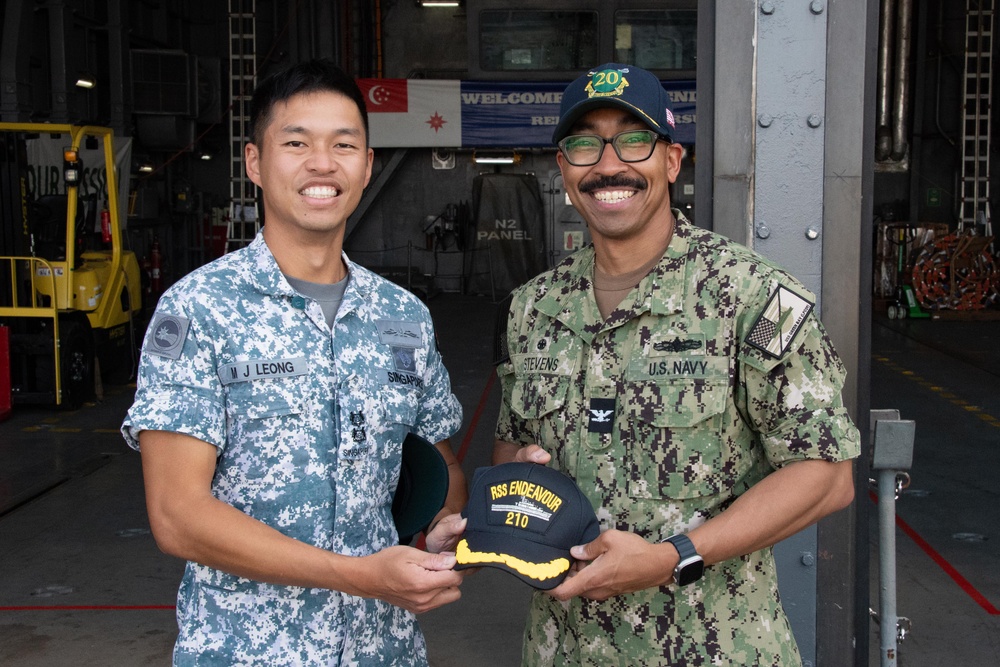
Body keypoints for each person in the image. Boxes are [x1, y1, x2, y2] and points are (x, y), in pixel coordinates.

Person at [492, 63, 861, 666]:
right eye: (584, 145)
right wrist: (515, 489)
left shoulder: (750, 296)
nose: (608, 164)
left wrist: (674, 555)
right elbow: (510, 450)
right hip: (564, 649)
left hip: (711, 647)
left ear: (671, 160)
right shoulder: (532, 308)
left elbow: (825, 475)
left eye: (633, 140)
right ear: (563, 169)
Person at [122, 59, 468, 666]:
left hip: (382, 651)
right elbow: (177, 515)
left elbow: (437, 464)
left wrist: (440, 529)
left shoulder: (403, 316)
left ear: (366, 165)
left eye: (344, 144)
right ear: (256, 162)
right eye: (296, 143)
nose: (322, 164)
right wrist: (357, 575)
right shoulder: (200, 309)